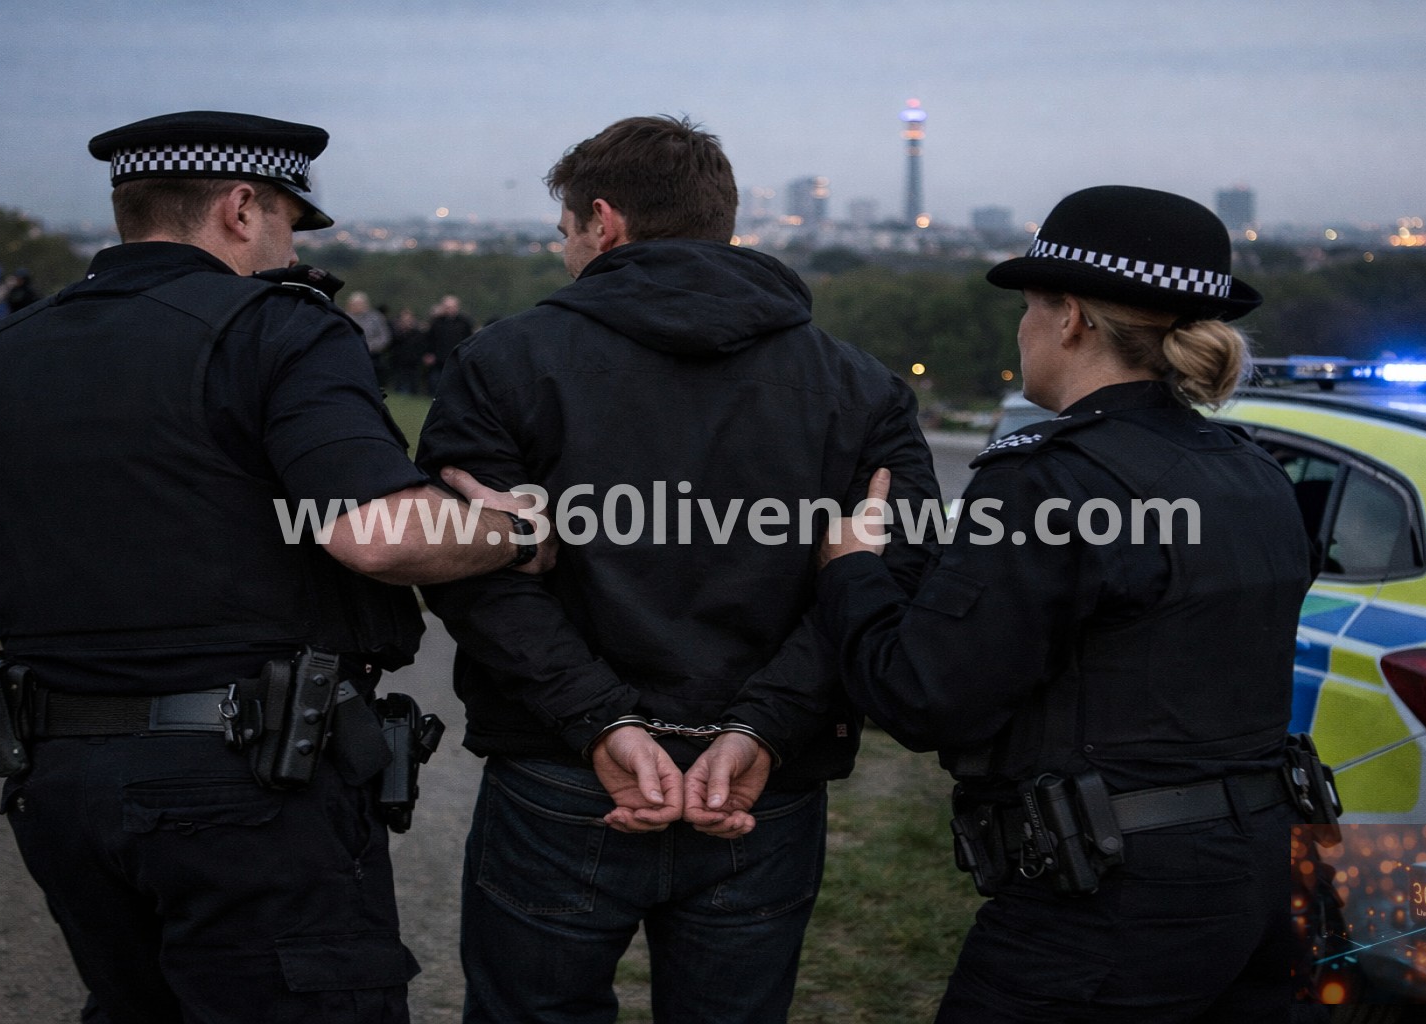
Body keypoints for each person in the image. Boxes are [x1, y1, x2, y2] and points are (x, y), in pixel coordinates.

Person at [0, 110, 549, 1024]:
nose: (284, 247)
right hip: (246, 789)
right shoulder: (277, 329)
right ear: (239, 206)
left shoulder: (3, 356)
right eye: (284, 221)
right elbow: (380, 534)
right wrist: (514, 533)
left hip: (59, 782)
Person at [416, 114, 940, 1023]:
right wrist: (762, 728)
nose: (565, 251)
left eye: (565, 231)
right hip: (758, 781)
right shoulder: (859, 385)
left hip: (565, 771)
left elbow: (472, 573)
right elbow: (889, 569)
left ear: (604, 223)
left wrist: (600, 724)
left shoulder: (504, 360)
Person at [816, 185, 1316, 1022]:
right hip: (1262, 877)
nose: (1023, 330)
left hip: (1114, 903)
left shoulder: (1054, 478)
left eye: (1028, 307)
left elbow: (924, 694)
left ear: (1072, 319)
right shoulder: (1248, 469)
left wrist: (851, 568)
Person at [421, 294, 473, 395]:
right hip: (438, 358)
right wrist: (428, 353)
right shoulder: (437, 322)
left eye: (451, 307)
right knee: (435, 381)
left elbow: (469, 340)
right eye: (446, 307)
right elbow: (429, 339)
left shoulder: (464, 323)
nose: (449, 309)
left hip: (457, 358)